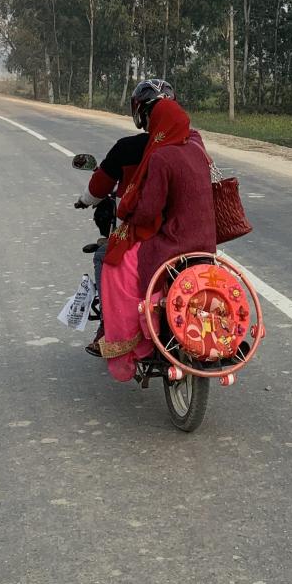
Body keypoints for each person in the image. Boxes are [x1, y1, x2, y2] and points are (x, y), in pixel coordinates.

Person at [98, 91, 217, 383]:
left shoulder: (162, 156)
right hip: (206, 242)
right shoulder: (198, 149)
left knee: (116, 266)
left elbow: (147, 212)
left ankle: (132, 341)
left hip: (173, 242)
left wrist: (130, 211)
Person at [73, 78, 171, 356]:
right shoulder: (189, 145)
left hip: (140, 233)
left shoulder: (127, 148)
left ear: (140, 113)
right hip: (182, 234)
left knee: (104, 256)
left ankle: (108, 328)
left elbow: (98, 188)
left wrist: (84, 201)